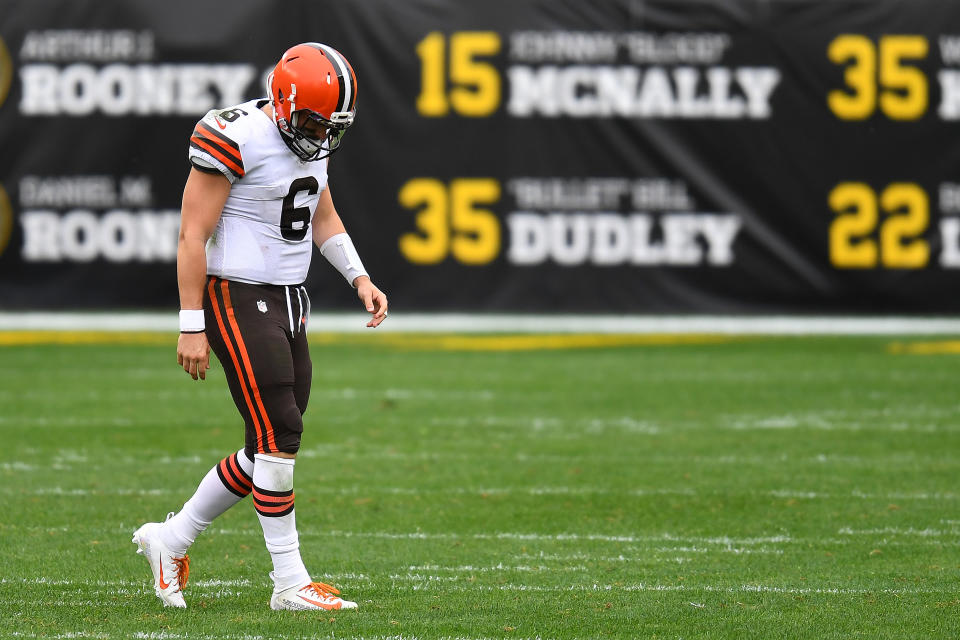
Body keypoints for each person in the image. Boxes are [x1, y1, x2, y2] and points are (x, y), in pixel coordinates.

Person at [132, 42, 387, 612]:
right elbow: (192, 234)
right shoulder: (236, 134)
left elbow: (320, 211)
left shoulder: (309, 138)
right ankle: (289, 584)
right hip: (236, 293)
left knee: (267, 443)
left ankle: (168, 540)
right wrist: (190, 324)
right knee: (281, 431)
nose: (321, 134)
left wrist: (358, 277)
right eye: (314, 120)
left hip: (291, 297)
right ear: (284, 99)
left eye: (330, 125)